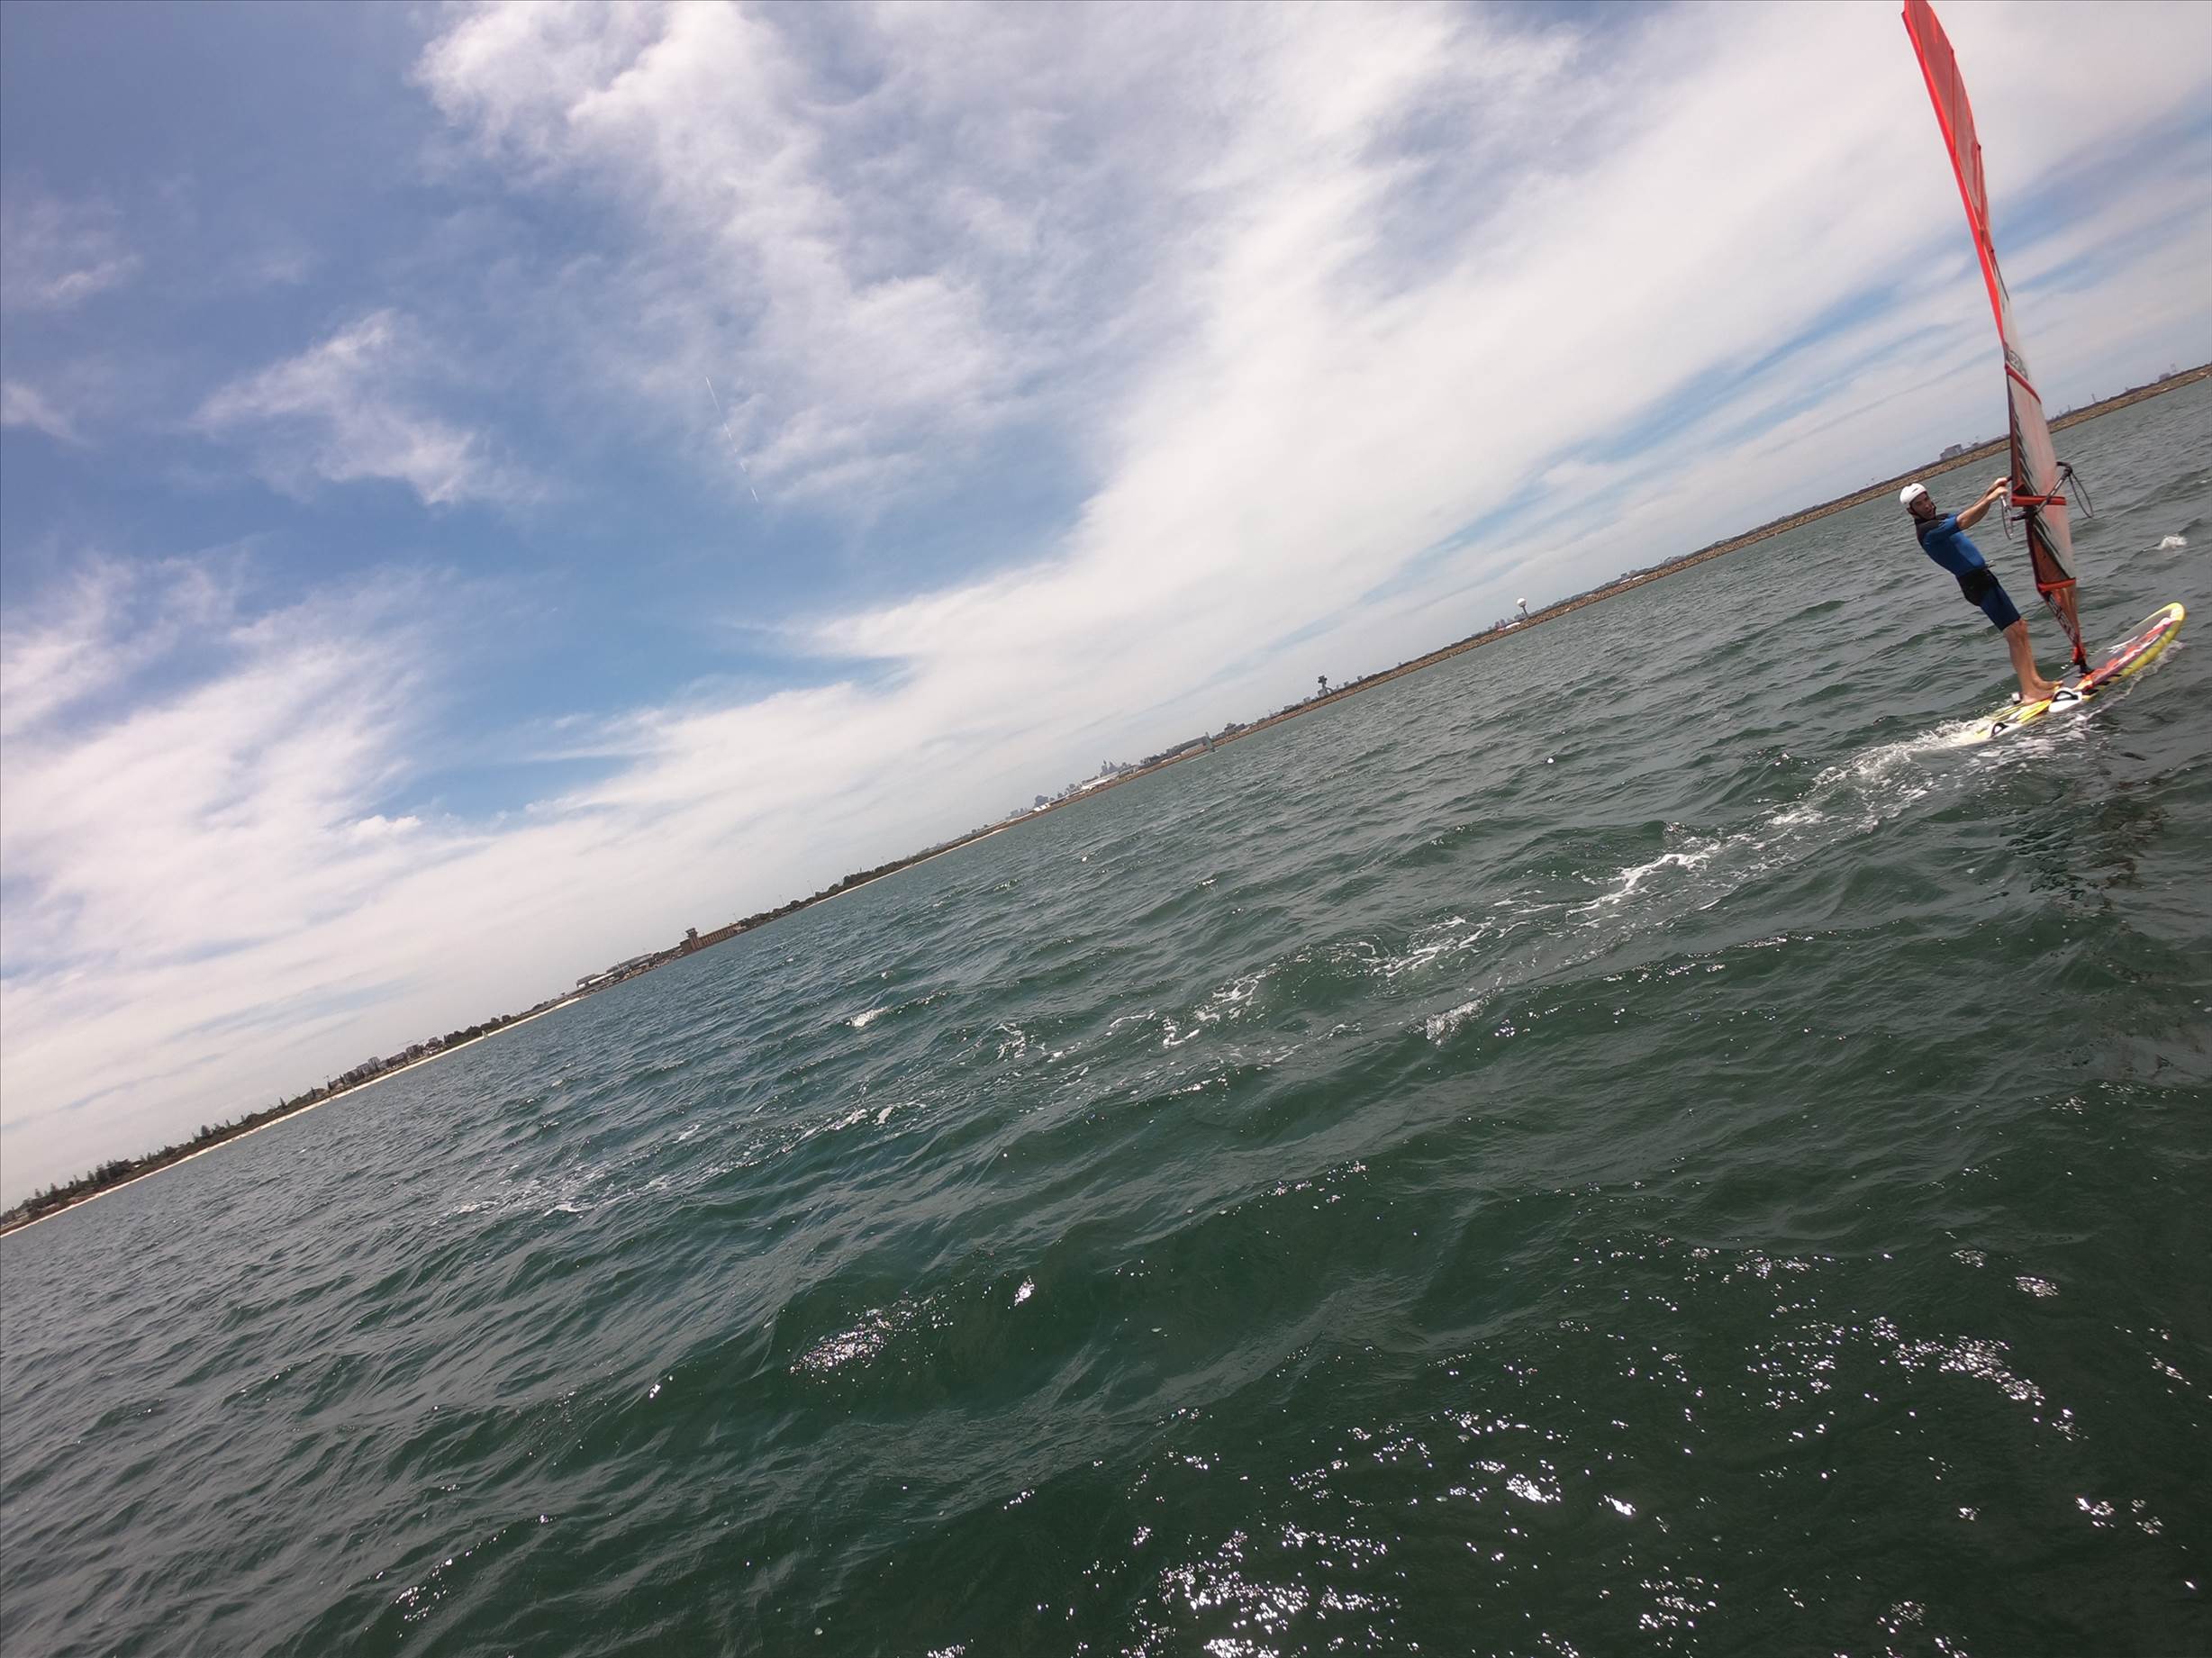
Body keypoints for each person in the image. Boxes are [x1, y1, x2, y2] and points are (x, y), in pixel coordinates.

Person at [1901, 476, 2062, 703]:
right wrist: (1991, 499)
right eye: (1919, 504)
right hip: (1975, 584)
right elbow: (1966, 521)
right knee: (2013, 634)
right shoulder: (1928, 531)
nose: (1926, 505)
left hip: (1985, 577)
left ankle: (2035, 681)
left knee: (2020, 627)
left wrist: (1990, 491)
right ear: (1911, 511)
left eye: (1926, 499)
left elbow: (1971, 511)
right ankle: (2029, 692)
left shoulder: (1940, 519)